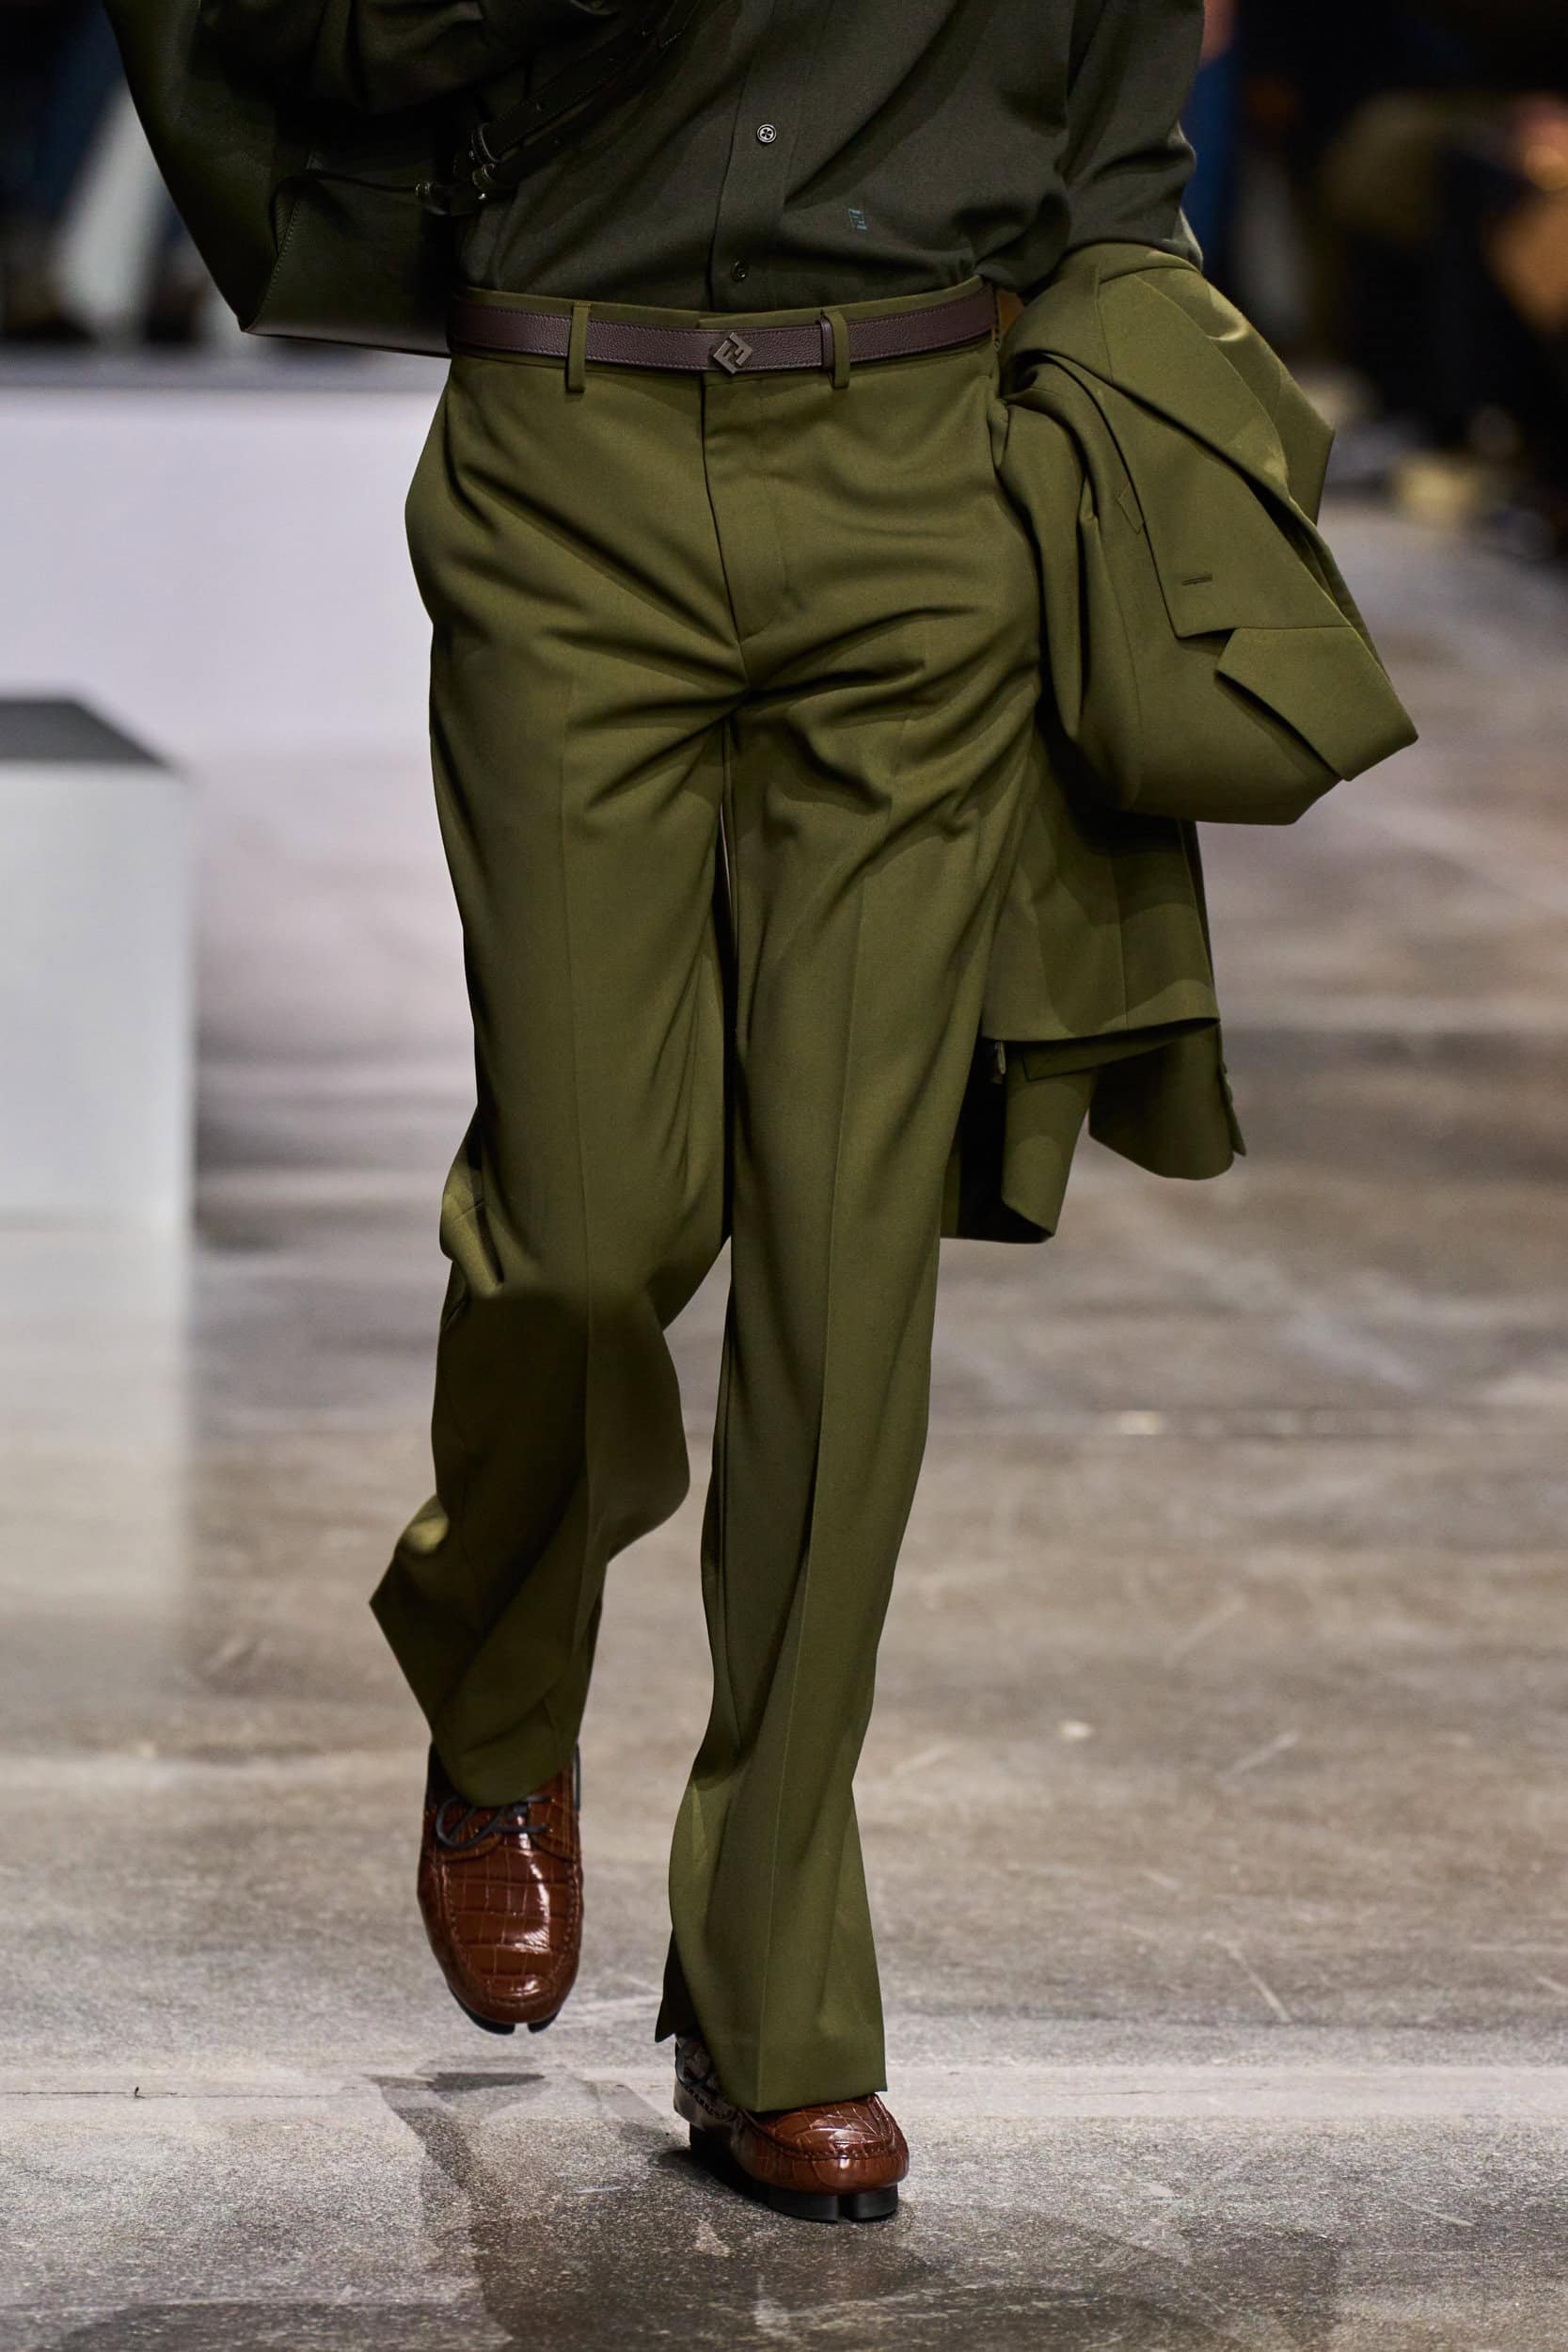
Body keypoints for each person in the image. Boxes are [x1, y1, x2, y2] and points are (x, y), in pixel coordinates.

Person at [199, 0, 1218, 2223]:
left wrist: (1083, 428)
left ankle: (783, 1999)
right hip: (566, 457)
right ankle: (498, 1690)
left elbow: (1124, 110)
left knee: (847, 1279)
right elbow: (319, 43)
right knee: (584, 1230)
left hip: (926, 473)